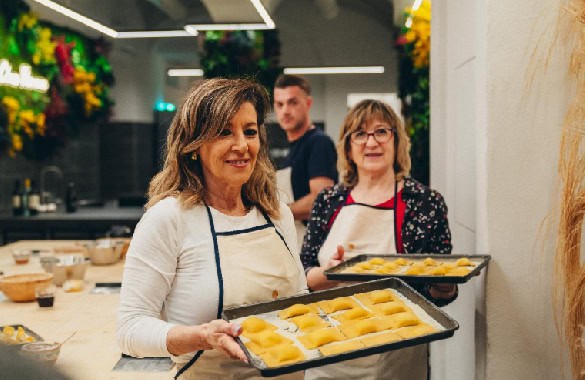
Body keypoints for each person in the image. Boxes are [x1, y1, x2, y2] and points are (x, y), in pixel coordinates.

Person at [116, 78, 307, 380]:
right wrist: (202, 336)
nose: (242, 145)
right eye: (224, 132)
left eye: (250, 131)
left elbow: (300, 299)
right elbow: (131, 329)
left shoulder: (276, 214)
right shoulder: (169, 218)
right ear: (194, 145)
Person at [300, 99, 457, 380]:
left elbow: (439, 291)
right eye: (360, 134)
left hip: (398, 356)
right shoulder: (328, 200)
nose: (371, 142)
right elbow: (303, 274)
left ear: (397, 141)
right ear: (348, 147)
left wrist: (444, 286)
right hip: (331, 351)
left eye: (381, 131)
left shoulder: (424, 202)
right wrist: (329, 274)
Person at [273, 74, 338, 249]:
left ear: (308, 103)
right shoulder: (293, 148)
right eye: (280, 104)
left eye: (292, 102)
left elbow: (321, 200)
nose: (285, 110)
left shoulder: (318, 143)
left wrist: (273, 212)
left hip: (314, 247)